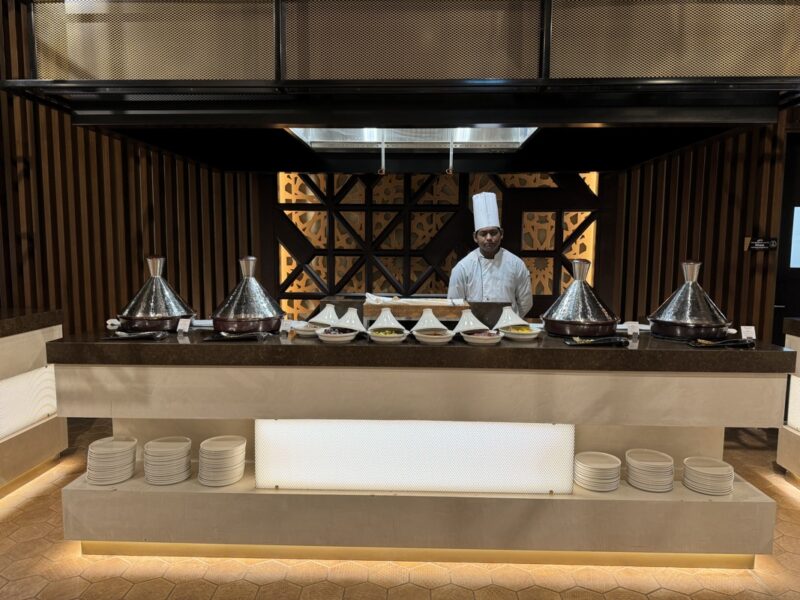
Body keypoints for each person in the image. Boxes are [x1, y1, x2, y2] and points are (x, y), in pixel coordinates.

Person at [447, 192, 533, 316]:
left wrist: (510, 322)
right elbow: (454, 304)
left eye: (493, 233)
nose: (489, 238)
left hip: (507, 329)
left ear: (501, 233)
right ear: (475, 237)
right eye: (483, 234)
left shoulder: (516, 264)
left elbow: (525, 303)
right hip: (472, 331)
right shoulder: (462, 268)